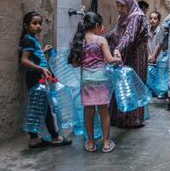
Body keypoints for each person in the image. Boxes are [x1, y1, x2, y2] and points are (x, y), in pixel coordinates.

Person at [69, 12, 121, 152]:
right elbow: (110, 60)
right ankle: (106, 142)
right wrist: (117, 57)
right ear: (97, 25)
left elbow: (74, 64)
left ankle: (91, 142)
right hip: (101, 80)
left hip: (87, 81)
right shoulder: (101, 40)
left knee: (88, 112)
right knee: (104, 111)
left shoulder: (78, 40)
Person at [19, 11, 72, 149]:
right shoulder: (29, 39)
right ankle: (55, 137)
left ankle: (34, 139)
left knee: (38, 106)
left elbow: (33, 57)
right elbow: (24, 60)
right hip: (35, 77)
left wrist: (43, 51)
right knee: (47, 107)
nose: (38, 26)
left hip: (36, 76)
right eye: (34, 23)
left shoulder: (31, 39)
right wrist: (41, 69)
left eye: (40, 24)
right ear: (26, 25)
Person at [106, 0, 149, 128]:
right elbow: (115, 33)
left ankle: (132, 119)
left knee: (132, 85)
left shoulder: (137, 17)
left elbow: (129, 36)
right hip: (124, 55)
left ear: (129, 4)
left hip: (136, 56)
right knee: (121, 86)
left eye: (122, 6)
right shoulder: (122, 18)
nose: (119, 9)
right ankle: (118, 117)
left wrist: (118, 49)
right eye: (117, 6)